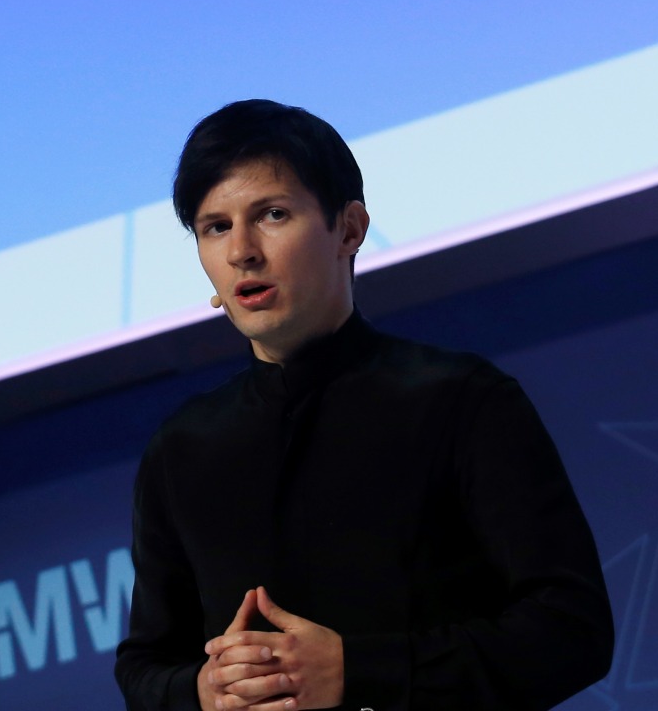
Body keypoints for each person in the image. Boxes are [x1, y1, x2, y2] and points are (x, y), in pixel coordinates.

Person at [114, 100, 613, 711]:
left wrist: (357, 670)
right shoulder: (183, 449)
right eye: (215, 227)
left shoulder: (459, 400)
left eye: (271, 215)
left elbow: (571, 629)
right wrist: (201, 691)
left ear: (349, 229)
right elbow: (145, 666)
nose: (242, 250)